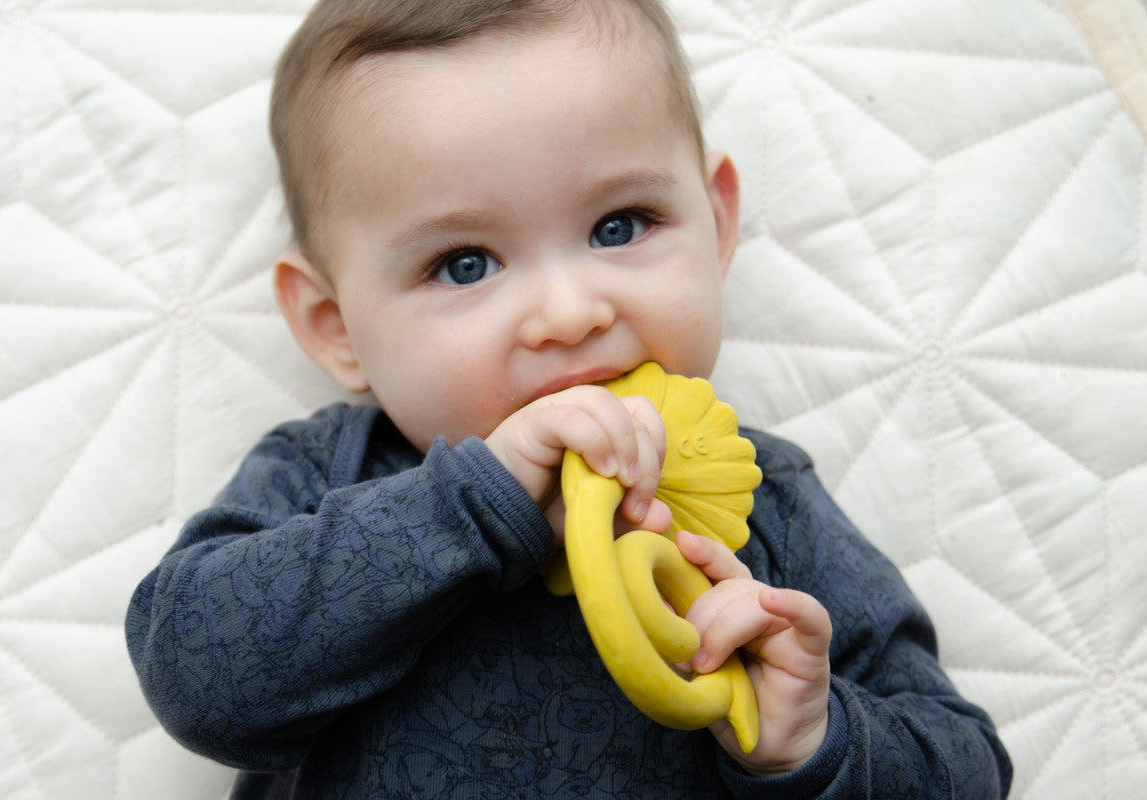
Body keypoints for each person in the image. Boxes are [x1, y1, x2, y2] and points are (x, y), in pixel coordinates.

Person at [125, 1, 1013, 797]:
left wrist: (815, 741)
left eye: (618, 226)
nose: (569, 313)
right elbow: (196, 680)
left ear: (715, 221)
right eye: (464, 264)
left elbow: (965, 765)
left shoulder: (762, 495)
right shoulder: (331, 474)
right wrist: (473, 505)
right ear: (336, 327)